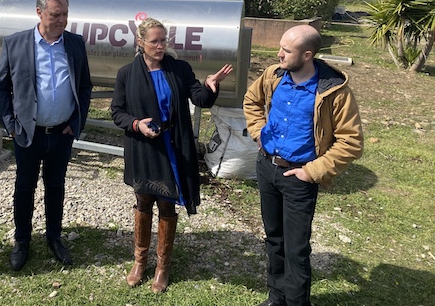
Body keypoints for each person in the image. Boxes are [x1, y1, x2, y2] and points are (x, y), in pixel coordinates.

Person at [243, 25, 364, 306]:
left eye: (286, 50)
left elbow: (351, 141)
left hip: (299, 178)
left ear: (307, 55)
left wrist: (312, 172)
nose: (279, 54)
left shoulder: (334, 91)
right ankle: (276, 297)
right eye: (280, 48)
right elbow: (252, 100)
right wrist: (259, 132)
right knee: (274, 239)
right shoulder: (273, 75)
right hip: (267, 168)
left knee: (296, 248)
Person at [110, 17, 233, 293]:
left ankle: (162, 267)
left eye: (163, 40)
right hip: (143, 147)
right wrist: (137, 124)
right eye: (154, 41)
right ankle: (139, 262)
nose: (160, 46)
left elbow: (199, 98)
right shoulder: (126, 74)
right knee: (143, 201)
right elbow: (117, 112)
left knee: (167, 204)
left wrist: (210, 85)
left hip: (172, 145)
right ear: (140, 42)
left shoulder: (179, 68)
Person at [0, 0, 92, 271]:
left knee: (56, 186)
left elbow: (85, 86)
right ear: (39, 12)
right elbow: (1, 89)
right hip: (28, 133)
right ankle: (22, 241)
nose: (62, 20)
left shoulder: (74, 44)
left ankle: (54, 237)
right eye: (55, 15)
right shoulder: (15, 44)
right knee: (24, 187)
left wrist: (76, 122)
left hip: (61, 133)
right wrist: (11, 126)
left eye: (65, 14)